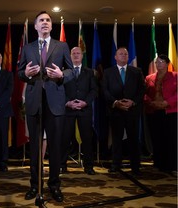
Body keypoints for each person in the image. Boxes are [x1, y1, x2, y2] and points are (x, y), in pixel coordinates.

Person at [18, 11, 74, 202]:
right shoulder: (27, 48)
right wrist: (25, 73)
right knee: (34, 148)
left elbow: (72, 72)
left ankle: (55, 185)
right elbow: (19, 73)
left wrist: (62, 75)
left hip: (55, 104)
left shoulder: (62, 46)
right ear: (35, 26)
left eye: (48, 20)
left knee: (55, 148)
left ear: (51, 26)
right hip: (35, 104)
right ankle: (35, 185)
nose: (45, 22)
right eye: (41, 20)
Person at [102, 47, 145, 175]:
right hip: (116, 111)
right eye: (121, 54)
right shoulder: (108, 72)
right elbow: (105, 90)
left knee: (133, 139)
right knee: (116, 140)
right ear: (115, 57)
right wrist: (116, 103)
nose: (124, 56)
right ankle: (116, 164)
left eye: (126, 54)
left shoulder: (136, 71)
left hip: (132, 111)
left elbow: (142, 89)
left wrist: (133, 102)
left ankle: (135, 166)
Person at [60, 47, 98, 175]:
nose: (76, 55)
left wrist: (85, 102)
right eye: (73, 53)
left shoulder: (89, 72)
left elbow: (94, 90)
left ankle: (88, 167)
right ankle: (62, 166)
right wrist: (68, 102)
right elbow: (59, 90)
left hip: (84, 110)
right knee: (64, 139)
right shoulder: (64, 72)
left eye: (78, 53)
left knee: (87, 139)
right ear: (70, 56)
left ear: (82, 56)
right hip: (68, 110)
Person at [144, 54, 177, 173]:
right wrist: (150, 102)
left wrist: (167, 102)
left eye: (162, 62)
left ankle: (172, 164)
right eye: (157, 62)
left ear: (167, 64)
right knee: (157, 138)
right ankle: (158, 163)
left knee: (171, 138)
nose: (159, 64)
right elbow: (144, 94)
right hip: (154, 112)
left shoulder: (175, 76)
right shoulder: (149, 78)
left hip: (170, 111)